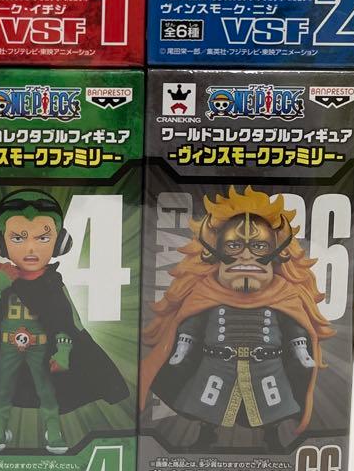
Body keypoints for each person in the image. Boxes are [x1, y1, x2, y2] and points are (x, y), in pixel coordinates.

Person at [140, 186, 334, 451]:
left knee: (272, 407)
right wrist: (182, 347)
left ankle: (271, 437)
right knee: (207, 405)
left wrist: (301, 349)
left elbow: (294, 326)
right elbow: (191, 323)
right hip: (217, 365)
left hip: (267, 367)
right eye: (233, 245)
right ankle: (206, 436)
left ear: (276, 252)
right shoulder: (204, 291)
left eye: (258, 246)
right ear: (215, 251)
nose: (246, 256)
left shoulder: (285, 295)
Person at [0, 189, 127, 453]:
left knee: (47, 390)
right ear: (0, 243)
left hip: (41, 347)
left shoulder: (52, 284)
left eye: (43, 238)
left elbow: (66, 322)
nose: (30, 248)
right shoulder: (6, 278)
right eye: (18, 238)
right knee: (2, 390)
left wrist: (63, 351)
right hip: (7, 346)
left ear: (59, 243)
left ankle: (53, 430)